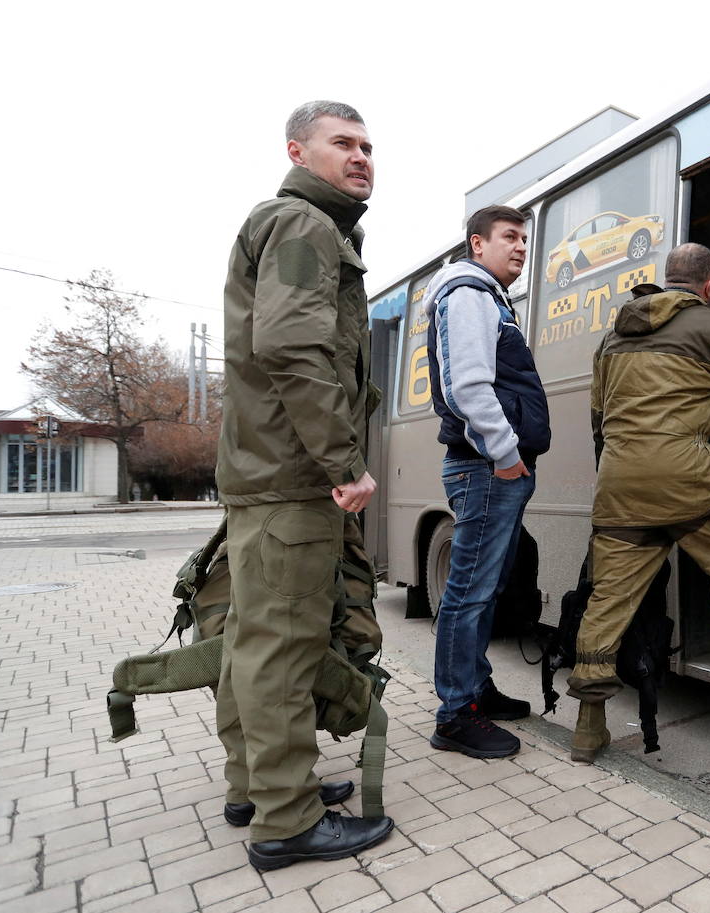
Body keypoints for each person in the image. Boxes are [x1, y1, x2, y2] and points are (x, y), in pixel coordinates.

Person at [214, 100, 393, 870]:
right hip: (292, 478)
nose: (361, 157)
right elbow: (291, 349)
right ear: (297, 150)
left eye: (368, 146)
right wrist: (345, 464)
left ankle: (256, 786)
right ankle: (285, 822)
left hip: (267, 472)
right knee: (284, 646)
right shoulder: (304, 226)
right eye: (342, 144)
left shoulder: (299, 226)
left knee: (252, 640)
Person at [568, 243, 710, 762]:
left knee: (609, 598)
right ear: (708, 284)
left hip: (619, 483)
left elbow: (599, 418)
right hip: (688, 479)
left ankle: (587, 726)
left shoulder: (612, 336)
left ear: (667, 279)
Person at [424, 205, 551, 758]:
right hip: (484, 468)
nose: (520, 247)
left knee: (484, 588)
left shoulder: (488, 298)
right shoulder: (469, 293)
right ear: (477, 244)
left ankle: (474, 691)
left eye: (524, 238)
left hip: (490, 467)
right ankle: (455, 715)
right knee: (469, 595)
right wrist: (503, 453)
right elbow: (467, 387)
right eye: (508, 237)